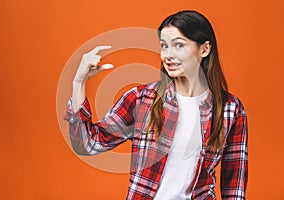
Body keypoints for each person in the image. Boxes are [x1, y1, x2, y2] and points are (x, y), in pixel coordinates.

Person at [64, 10, 248, 200]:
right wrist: (79, 83)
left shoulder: (230, 110)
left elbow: (234, 186)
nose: (168, 55)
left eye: (178, 45)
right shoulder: (141, 100)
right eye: (164, 46)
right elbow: (86, 145)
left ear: (204, 49)